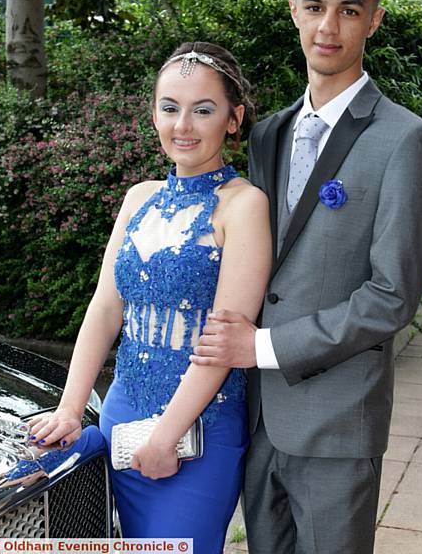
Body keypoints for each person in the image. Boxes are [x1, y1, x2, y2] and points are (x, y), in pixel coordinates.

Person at [190, 0, 422, 554]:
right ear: (294, 8)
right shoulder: (269, 135)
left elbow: (391, 298)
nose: (327, 27)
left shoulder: (405, 141)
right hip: (254, 418)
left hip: (336, 424)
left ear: (374, 18)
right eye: (314, 5)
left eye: (349, 10)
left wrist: (265, 346)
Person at [28, 41, 272, 551]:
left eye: (203, 110)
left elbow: (224, 336)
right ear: (154, 115)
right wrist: (72, 409)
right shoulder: (139, 197)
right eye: (170, 108)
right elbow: (105, 307)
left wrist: (167, 434)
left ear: (234, 118)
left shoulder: (244, 205)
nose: (183, 125)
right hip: (120, 421)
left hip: (195, 435)